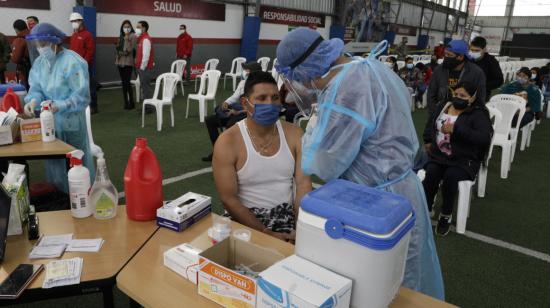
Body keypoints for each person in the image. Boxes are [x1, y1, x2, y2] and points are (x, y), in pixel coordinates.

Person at [275, 27, 445, 299]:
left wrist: (312, 134)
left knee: (387, 285)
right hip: (400, 189)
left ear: (309, 70)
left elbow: (324, 164)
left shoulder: (346, 89)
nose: (301, 86)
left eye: (298, 79)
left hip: (379, 200)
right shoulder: (371, 69)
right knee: (406, 277)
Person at [212, 71, 312, 240]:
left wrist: (300, 225)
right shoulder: (227, 142)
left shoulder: (295, 134)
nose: (270, 104)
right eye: (262, 98)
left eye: (274, 98)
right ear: (245, 103)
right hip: (246, 221)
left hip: (288, 217)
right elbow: (228, 199)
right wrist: (266, 233)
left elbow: (303, 184)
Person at [22, 23, 94, 193]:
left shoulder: (74, 62)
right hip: (50, 123)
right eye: (37, 45)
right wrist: (32, 101)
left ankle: (82, 194)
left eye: (43, 44)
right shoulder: (40, 63)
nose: (40, 49)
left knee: (76, 163)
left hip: (71, 122)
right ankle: (59, 196)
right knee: (54, 163)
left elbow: (81, 96)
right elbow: (36, 88)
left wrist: (60, 105)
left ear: (55, 42)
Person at [422, 81, 493, 236]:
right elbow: (430, 124)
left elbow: (484, 138)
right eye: (455, 94)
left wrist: (457, 129)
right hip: (439, 155)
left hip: (464, 159)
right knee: (431, 173)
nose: (458, 97)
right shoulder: (444, 106)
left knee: (450, 177)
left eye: (463, 95)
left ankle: (445, 215)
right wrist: (428, 140)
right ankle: (426, 208)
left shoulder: (478, 113)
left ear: (472, 98)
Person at [202, 62, 262, 162]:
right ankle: (217, 151)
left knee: (231, 124)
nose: (245, 72)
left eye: (247, 70)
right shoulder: (243, 83)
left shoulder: (260, 87)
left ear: (253, 73)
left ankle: (231, 154)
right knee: (210, 120)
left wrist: (239, 112)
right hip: (239, 112)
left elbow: (258, 107)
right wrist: (226, 102)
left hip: (251, 115)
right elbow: (235, 97)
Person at [427, 39, 486, 116]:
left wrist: (468, 118)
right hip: (441, 114)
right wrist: (435, 115)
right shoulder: (439, 70)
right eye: (445, 54)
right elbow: (431, 95)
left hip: (465, 116)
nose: (446, 57)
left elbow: (480, 99)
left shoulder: (477, 73)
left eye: (449, 55)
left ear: (460, 57)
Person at [69, 12, 97, 114]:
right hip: (74, 67)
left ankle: (93, 106)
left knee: (89, 86)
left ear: (81, 22)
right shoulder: (73, 35)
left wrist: (84, 63)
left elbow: (90, 51)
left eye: (75, 21)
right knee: (78, 87)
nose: (74, 23)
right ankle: (82, 105)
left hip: (85, 66)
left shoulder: (87, 35)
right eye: (72, 21)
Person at [469, 36, 503, 102]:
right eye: (472, 50)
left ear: (484, 49)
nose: (473, 53)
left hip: (482, 94)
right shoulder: (468, 59)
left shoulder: (491, 61)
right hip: (465, 92)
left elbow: (499, 80)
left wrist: (482, 86)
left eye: (477, 51)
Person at [115, 20, 137, 110]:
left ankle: (131, 102)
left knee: (127, 82)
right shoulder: (121, 36)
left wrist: (127, 39)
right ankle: (126, 102)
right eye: (124, 27)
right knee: (123, 83)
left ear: (131, 27)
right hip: (119, 62)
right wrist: (118, 49)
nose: (126, 28)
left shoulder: (133, 36)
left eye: (128, 26)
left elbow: (129, 50)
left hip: (128, 63)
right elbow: (118, 48)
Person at [135, 20, 155, 113]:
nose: (137, 28)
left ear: (144, 28)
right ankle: (146, 106)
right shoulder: (142, 39)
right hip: (142, 68)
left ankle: (149, 108)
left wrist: (142, 68)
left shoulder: (146, 39)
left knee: (146, 88)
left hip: (144, 68)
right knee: (144, 88)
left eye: (138, 27)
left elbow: (146, 56)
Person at [11, 20, 31, 89]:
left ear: (16, 29)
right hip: (39, 68)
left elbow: (15, 59)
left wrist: (11, 55)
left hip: (26, 70)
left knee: (27, 89)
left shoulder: (20, 39)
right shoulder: (34, 36)